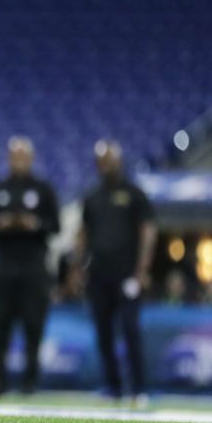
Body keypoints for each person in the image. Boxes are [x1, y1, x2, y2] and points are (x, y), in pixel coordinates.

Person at [75, 140, 157, 405]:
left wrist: (141, 270)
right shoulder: (92, 196)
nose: (106, 165)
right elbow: (83, 234)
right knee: (103, 332)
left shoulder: (134, 194)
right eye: (102, 160)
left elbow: (148, 231)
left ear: (119, 161)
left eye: (110, 159)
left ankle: (139, 389)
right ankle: (113, 387)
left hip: (126, 274)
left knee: (131, 329)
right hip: (99, 274)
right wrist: (78, 268)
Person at [0, 136, 60, 395]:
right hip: (4, 265)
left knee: (33, 325)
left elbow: (55, 226)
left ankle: (29, 382)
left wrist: (34, 224)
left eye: (23, 156)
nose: (19, 161)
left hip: (34, 267)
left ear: (31, 158)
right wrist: (0, 224)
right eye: (15, 156)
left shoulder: (43, 189)